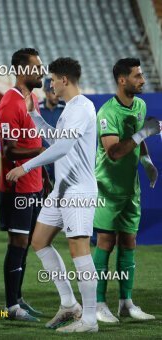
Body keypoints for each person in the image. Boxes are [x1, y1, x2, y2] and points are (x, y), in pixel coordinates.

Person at [7, 57, 99, 332]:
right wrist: (34, 115)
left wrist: (25, 166)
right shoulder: (69, 108)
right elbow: (55, 139)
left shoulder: (82, 108)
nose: (49, 85)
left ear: (64, 80)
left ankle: (91, 319)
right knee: (39, 241)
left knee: (78, 249)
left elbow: (62, 149)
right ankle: (70, 304)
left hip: (78, 190)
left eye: (52, 80)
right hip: (62, 190)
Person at [93, 58, 159, 323]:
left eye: (142, 75)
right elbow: (115, 152)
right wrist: (144, 133)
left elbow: (137, 141)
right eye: (137, 76)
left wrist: (147, 161)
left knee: (129, 242)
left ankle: (126, 303)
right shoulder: (107, 113)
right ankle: (98, 303)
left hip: (130, 189)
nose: (142, 80)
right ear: (122, 80)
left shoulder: (141, 105)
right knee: (106, 243)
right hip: (107, 189)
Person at [0, 48, 49, 322]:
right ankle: (11, 307)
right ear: (21, 70)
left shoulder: (33, 99)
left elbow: (33, 143)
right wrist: (39, 151)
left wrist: (46, 176)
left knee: (27, 242)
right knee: (17, 241)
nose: (41, 71)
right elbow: (9, 150)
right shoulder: (10, 102)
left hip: (35, 183)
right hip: (17, 186)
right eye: (36, 66)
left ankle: (18, 298)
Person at [38, 78, 65, 183]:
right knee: (43, 195)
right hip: (43, 160)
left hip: (61, 159)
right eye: (53, 92)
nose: (57, 95)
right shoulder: (37, 110)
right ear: (46, 92)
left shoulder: (65, 108)